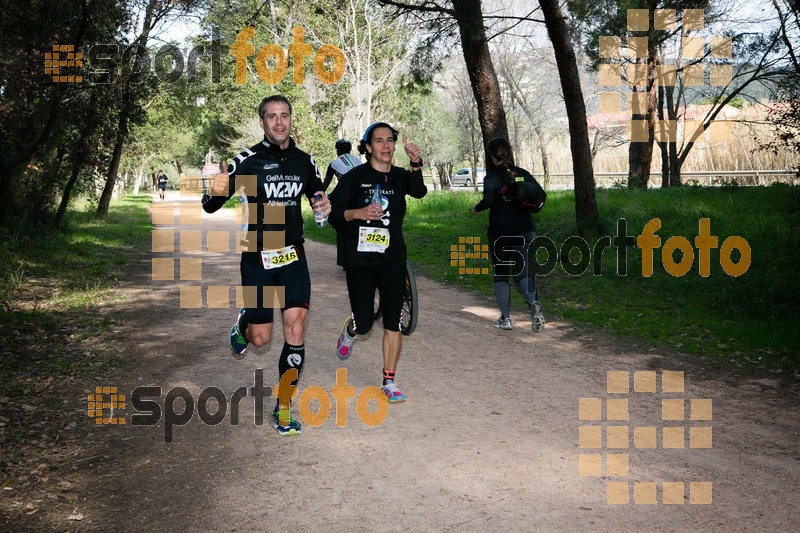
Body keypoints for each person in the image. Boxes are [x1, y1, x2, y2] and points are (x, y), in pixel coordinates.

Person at [201, 94, 330, 436]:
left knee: (296, 328)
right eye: (271, 116)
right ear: (262, 122)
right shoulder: (247, 160)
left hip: (292, 255)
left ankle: (283, 406)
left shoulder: (305, 161)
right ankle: (244, 324)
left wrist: (322, 209)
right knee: (260, 339)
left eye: (284, 115)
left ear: (291, 119)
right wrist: (218, 186)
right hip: (257, 256)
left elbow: (318, 203)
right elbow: (209, 205)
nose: (278, 122)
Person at [328, 122, 427, 403]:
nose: (386, 145)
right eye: (379, 141)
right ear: (368, 147)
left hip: (393, 257)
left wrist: (416, 163)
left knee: (393, 321)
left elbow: (419, 191)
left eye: (390, 140)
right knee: (365, 323)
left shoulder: (399, 177)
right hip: (360, 259)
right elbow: (334, 212)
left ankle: (389, 382)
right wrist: (358, 213)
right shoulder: (355, 177)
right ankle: (351, 328)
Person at [472, 137, 545, 332]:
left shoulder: (492, 178)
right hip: (526, 231)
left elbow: (487, 200)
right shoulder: (522, 174)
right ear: (509, 153)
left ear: (491, 156)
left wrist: (477, 208)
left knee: (501, 275)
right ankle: (534, 304)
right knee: (523, 273)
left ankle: (505, 319)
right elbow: (539, 194)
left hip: (501, 234)